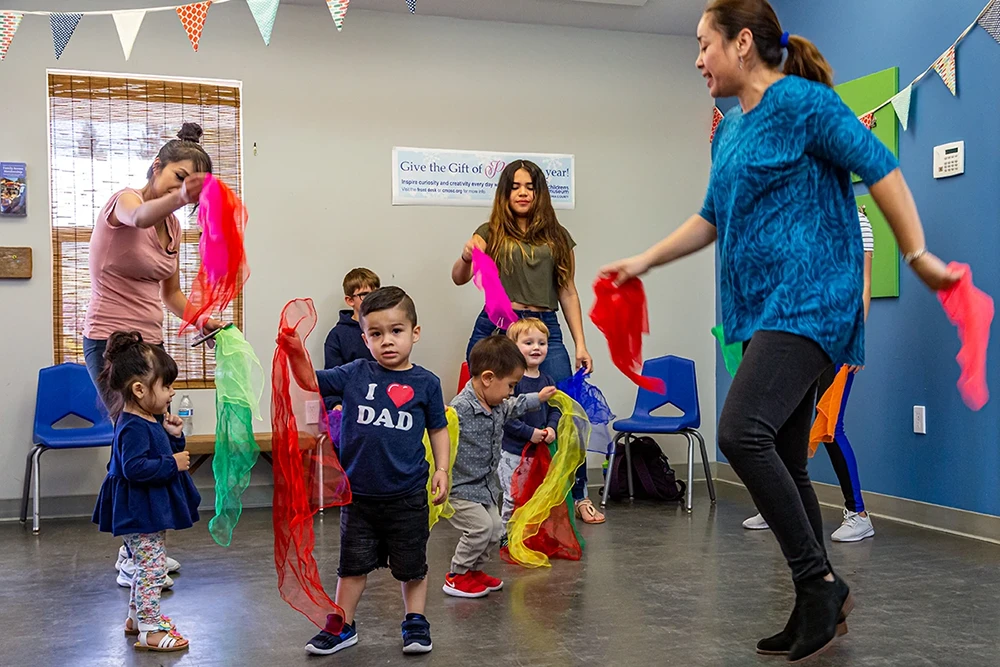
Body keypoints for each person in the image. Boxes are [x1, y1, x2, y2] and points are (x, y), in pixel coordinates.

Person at [599, 0, 959, 661]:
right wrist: (645, 259)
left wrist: (916, 254)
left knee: (740, 430)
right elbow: (710, 218)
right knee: (787, 458)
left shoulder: (803, 105)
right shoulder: (732, 130)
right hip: (767, 311)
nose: (696, 58)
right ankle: (818, 601)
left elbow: (881, 167)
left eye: (704, 43)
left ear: (742, 44)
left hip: (813, 299)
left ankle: (818, 582)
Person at [84, 122, 222, 587]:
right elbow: (138, 218)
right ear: (156, 168)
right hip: (110, 344)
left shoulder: (173, 227)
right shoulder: (127, 201)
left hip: (151, 344)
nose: (184, 189)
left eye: (191, 184)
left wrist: (204, 320)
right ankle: (134, 553)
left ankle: (145, 548)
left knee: (158, 439)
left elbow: (172, 294)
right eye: (177, 177)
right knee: (132, 445)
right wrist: (182, 197)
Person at [283, 286, 451, 656]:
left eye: (396, 331)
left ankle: (415, 622)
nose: (387, 341)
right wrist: (297, 353)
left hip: (406, 496)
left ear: (415, 332)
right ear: (365, 338)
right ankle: (343, 624)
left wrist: (442, 469)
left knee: (412, 566)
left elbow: (438, 429)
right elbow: (310, 380)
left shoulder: (426, 383)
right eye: (376, 334)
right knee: (351, 567)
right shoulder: (355, 373)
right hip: (358, 496)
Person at [451, 160, 604, 525]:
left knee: (566, 410)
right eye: (515, 186)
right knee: (482, 409)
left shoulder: (558, 237)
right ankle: (477, 496)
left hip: (543, 324)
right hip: (498, 324)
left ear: (539, 193)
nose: (522, 192)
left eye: (530, 186)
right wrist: (465, 254)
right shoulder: (489, 231)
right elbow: (459, 277)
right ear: (505, 193)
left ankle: (577, 495)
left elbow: (567, 290)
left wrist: (581, 343)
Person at [744, 209, 876, 542]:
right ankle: (779, 504)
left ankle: (858, 514)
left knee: (830, 426)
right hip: (799, 336)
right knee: (781, 427)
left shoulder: (856, 221)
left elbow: (863, 284)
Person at [91, 332, 201, 653]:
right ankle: (150, 629)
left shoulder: (146, 419)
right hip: (139, 510)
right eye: (165, 386)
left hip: (144, 508)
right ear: (139, 389)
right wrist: (173, 462)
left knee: (145, 565)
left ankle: (136, 619)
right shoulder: (131, 426)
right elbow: (135, 468)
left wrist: (173, 437)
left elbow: (158, 451)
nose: (171, 393)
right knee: (153, 568)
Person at [444, 335, 557, 598]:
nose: (510, 392)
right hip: (460, 489)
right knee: (480, 528)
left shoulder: (496, 404)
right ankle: (456, 575)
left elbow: (515, 405)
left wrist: (538, 398)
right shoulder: (460, 408)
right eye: (510, 385)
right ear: (487, 378)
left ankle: (474, 570)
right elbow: (440, 433)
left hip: (484, 488)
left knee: (495, 530)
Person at [498, 318, 565, 553]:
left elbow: (555, 408)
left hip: (539, 453)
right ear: (513, 348)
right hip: (513, 453)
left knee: (537, 495)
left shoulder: (547, 380)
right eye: (528, 343)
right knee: (513, 496)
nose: (536, 348)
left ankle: (529, 535)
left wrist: (551, 428)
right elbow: (505, 416)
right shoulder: (512, 382)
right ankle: (507, 537)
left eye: (542, 343)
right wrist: (531, 433)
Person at [322, 267, 380, 410]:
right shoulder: (337, 336)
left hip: (384, 403)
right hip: (352, 407)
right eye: (365, 295)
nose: (373, 299)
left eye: (377, 293)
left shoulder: (386, 330)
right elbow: (332, 379)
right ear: (349, 300)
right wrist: (336, 403)